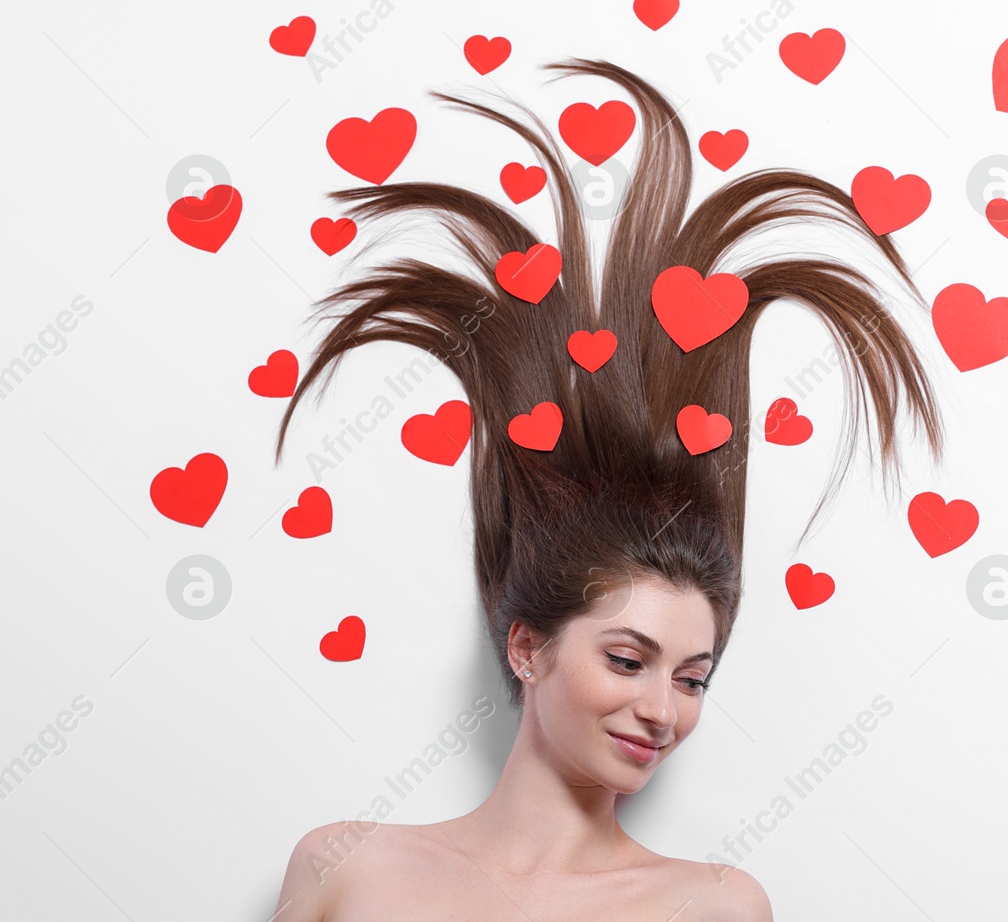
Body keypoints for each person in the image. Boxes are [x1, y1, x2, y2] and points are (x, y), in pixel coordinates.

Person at [268, 58, 945, 920]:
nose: (661, 709)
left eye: (694, 678)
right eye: (628, 659)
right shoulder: (347, 867)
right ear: (526, 648)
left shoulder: (715, 905)